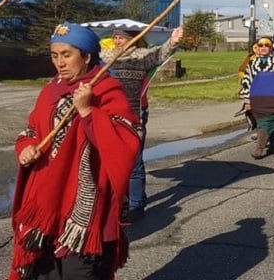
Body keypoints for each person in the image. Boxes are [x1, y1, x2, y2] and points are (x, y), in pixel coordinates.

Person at [10, 22, 141, 280]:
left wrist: (87, 111)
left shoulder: (106, 89)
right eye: (54, 55)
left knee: (78, 272)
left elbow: (125, 143)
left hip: (85, 207)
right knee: (44, 272)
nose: (59, 62)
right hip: (48, 199)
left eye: (67, 55)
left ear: (87, 56)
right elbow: (32, 130)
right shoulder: (50, 90)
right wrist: (26, 148)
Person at [99, 25, 183, 221]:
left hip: (133, 116)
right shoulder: (104, 57)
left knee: (134, 163)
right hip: (107, 116)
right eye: (116, 38)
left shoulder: (141, 56)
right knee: (109, 162)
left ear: (134, 39)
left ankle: (137, 204)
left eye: (122, 38)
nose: (118, 41)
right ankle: (116, 202)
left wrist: (173, 42)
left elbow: (159, 56)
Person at [239, 36, 274, 158]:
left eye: (267, 45)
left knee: (265, 122)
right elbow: (246, 82)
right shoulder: (251, 63)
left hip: (271, 98)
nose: (264, 48)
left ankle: (259, 149)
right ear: (257, 48)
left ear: (270, 48)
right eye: (261, 45)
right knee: (261, 122)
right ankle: (273, 144)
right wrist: (247, 100)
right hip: (256, 98)